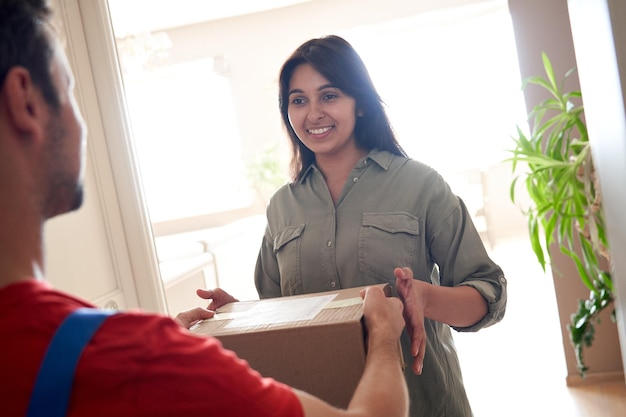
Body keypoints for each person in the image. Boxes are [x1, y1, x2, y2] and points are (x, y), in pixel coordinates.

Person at [0, 2, 409, 416]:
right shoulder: (132, 355)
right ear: (26, 102)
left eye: (330, 95)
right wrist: (385, 336)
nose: (314, 112)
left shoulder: (113, 356)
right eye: (69, 90)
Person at [248, 35, 508, 417]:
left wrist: (424, 298)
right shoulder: (282, 208)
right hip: (325, 406)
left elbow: (490, 295)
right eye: (298, 100)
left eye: (330, 95)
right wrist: (234, 317)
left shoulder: (421, 185)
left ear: (361, 104)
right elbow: (275, 316)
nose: (313, 112)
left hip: (423, 404)